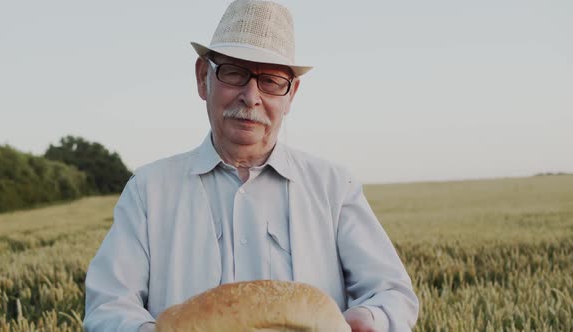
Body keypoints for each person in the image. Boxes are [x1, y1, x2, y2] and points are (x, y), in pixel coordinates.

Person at [83, 1, 419, 331]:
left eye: (271, 81)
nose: (251, 96)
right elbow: (108, 305)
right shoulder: (149, 189)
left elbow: (391, 292)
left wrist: (370, 320)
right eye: (234, 73)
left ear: (291, 95)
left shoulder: (333, 186)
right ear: (203, 78)